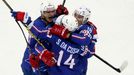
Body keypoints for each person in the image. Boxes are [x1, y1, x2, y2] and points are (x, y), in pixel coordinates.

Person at [11, 1, 68, 75]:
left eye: (53, 11)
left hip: (45, 55)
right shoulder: (37, 24)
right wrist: (27, 21)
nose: (51, 14)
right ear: (42, 13)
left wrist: (61, 15)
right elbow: (40, 32)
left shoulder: (51, 19)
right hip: (33, 55)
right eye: (47, 12)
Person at [49, 6, 98, 75]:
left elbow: (84, 39)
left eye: (80, 17)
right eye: (75, 15)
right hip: (63, 62)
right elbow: (54, 24)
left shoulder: (86, 28)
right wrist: (58, 14)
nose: (76, 18)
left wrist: (68, 35)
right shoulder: (71, 21)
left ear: (85, 19)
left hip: (78, 63)